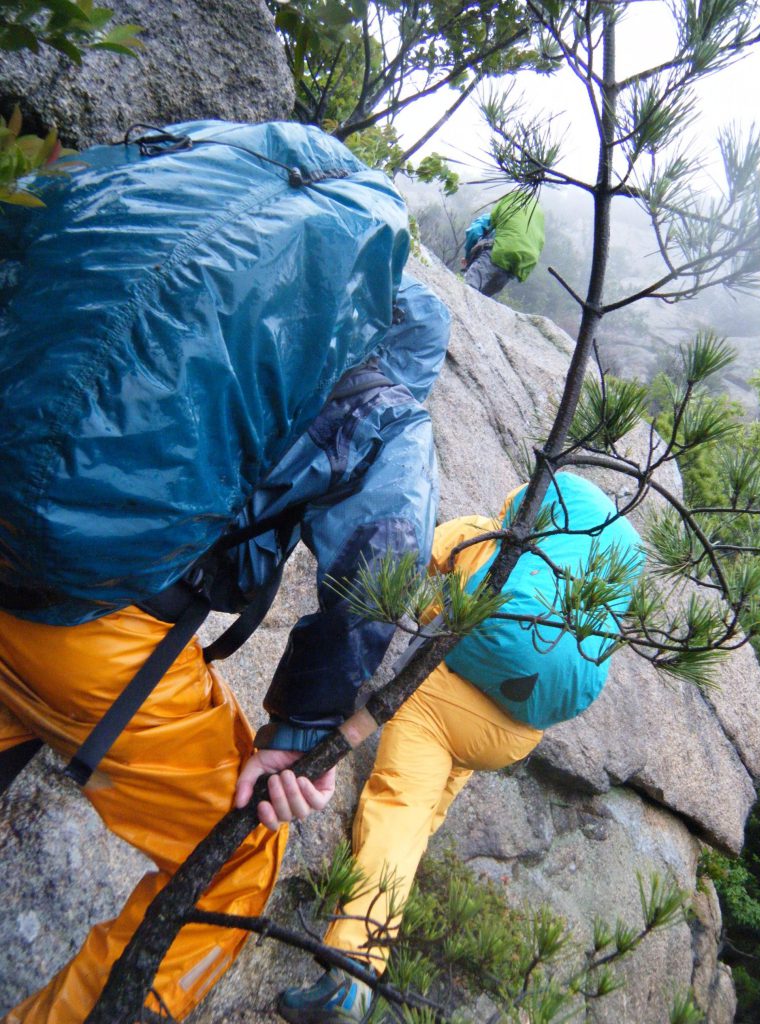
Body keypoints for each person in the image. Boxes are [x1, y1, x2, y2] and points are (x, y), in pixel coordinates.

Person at [0, 121, 451, 1024]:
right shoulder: (381, 394)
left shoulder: (188, 193)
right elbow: (382, 558)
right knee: (238, 856)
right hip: (88, 631)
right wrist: (303, 727)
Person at [278, 473, 644, 1024]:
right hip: (507, 738)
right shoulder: (591, 602)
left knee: (399, 808)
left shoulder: (487, 538)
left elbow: (408, 556)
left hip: (438, 700)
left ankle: (351, 974)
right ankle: (388, 900)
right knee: (427, 808)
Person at [462, 191, 545, 298]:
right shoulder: (536, 225)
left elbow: (474, 232)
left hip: (495, 255)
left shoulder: (496, 216)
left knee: (467, 292)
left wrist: (468, 257)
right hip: (513, 268)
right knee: (481, 300)